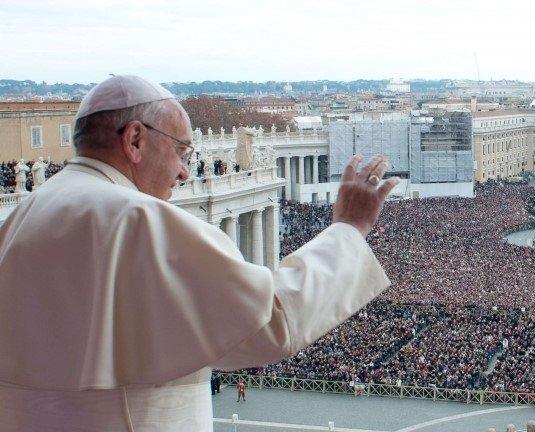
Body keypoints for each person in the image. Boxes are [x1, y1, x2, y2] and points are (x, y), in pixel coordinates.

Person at [0, 75, 399, 431]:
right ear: (135, 140)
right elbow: (269, 322)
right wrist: (349, 227)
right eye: (182, 152)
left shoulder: (20, 218)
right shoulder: (138, 219)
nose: (185, 173)